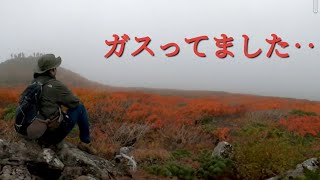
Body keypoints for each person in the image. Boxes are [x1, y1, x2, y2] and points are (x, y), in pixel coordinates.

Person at [31, 54, 96, 154]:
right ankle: (85, 142)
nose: (56, 70)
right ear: (51, 70)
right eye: (55, 68)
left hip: (32, 132)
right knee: (80, 107)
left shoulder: (34, 83)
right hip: (48, 137)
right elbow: (74, 103)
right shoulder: (55, 85)